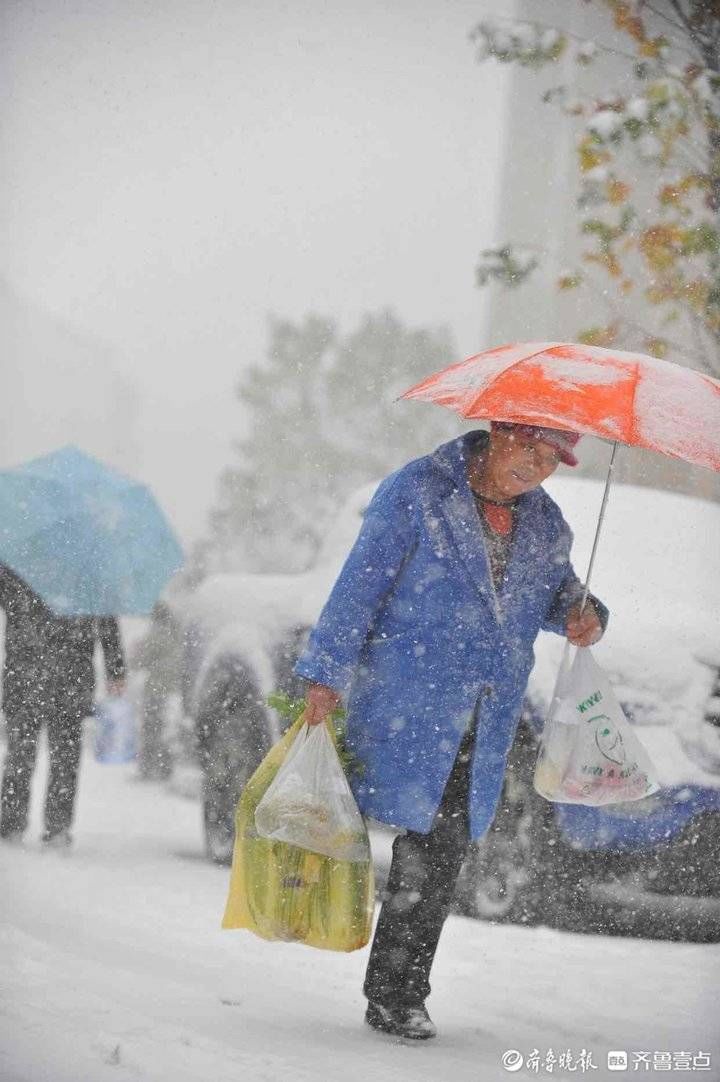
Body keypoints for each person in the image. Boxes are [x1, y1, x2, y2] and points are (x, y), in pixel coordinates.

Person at [294, 422, 608, 1041]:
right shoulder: (419, 490)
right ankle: (392, 986)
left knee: (440, 848)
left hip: (486, 713)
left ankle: (399, 990)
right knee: (415, 836)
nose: (537, 466)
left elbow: (558, 597)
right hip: (409, 701)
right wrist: (326, 671)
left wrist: (586, 614)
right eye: (528, 448)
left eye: (552, 458)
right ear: (496, 433)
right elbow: (360, 585)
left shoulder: (547, 525)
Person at [0, 564, 126, 847]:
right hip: (68, 678)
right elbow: (107, 622)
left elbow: (106, 620)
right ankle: (54, 828)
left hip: (28, 675)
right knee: (62, 759)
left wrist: (116, 668)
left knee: (24, 754)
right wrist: (115, 668)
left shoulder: (20, 562)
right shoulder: (87, 568)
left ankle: (13, 824)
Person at [130, 601, 183, 780]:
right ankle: (165, 769)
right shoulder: (176, 634)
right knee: (166, 730)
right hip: (174, 690)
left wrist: (135, 651)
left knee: (151, 728)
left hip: (157, 689)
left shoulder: (157, 634)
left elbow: (138, 661)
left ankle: (147, 769)